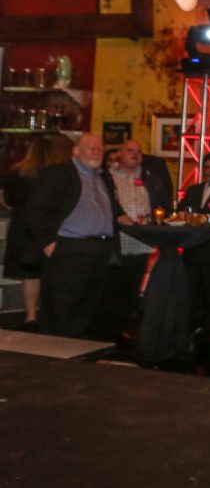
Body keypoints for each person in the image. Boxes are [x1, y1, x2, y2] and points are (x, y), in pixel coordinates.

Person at [25, 133, 120, 339]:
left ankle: (75, 355)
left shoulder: (103, 177)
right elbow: (35, 210)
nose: (97, 152)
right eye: (91, 148)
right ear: (76, 151)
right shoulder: (57, 174)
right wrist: (48, 243)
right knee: (61, 308)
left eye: (100, 149)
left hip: (99, 249)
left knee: (87, 307)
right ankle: (53, 356)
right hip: (69, 248)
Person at [103, 139, 175, 341]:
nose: (135, 154)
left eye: (138, 151)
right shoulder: (107, 177)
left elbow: (164, 204)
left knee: (132, 285)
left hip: (140, 239)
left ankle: (124, 328)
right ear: (119, 154)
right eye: (130, 150)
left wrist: (155, 220)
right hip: (114, 239)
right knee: (112, 286)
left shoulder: (150, 178)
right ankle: (106, 329)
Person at [1, 134, 73, 329]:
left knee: (30, 275)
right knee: (52, 275)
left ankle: (31, 316)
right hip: (51, 229)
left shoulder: (18, 172)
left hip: (22, 230)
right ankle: (52, 316)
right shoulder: (58, 175)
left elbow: (8, 201)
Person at [179, 152, 210, 345]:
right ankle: (193, 329)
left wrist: (209, 219)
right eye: (207, 167)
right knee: (193, 293)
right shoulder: (193, 190)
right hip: (193, 250)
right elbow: (182, 211)